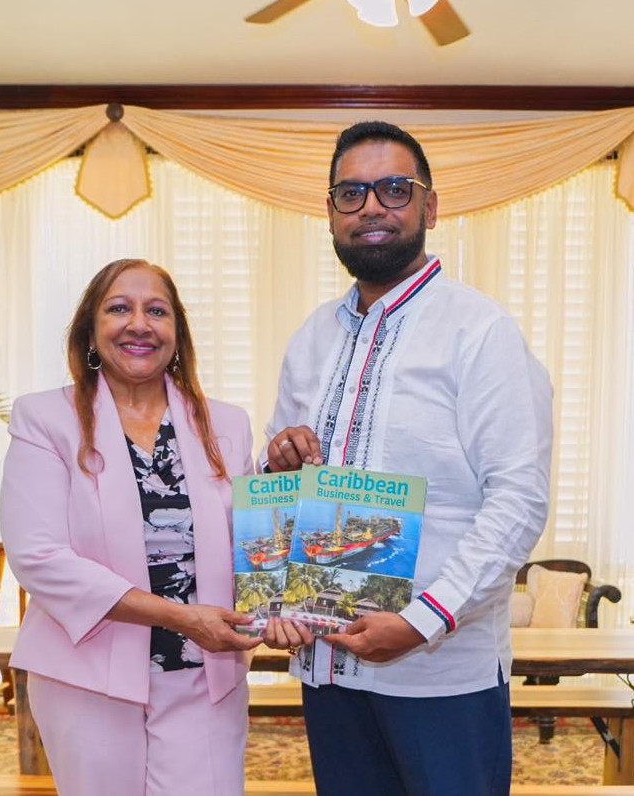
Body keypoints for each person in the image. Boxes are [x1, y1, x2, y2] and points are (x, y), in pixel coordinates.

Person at [261, 122, 554, 796]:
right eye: (350, 192)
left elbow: (517, 499)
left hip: (438, 673)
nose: (370, 207)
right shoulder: (310, 337)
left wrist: (422, 621)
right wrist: (278, 464)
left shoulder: (479, 332)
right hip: (327, 664)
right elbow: (276, 485)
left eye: (394, 189)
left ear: (429, 207)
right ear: (329, 211)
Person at [0, 258, 261, 796]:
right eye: (119, 308)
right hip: (87, 675)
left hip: (204, 674)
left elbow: (254, 546)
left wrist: (294, 598)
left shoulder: (228, 425)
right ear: (91, 330)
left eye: (157, 311)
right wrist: (182, 616)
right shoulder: (45, 419)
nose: (139, 323)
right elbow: (38, 557)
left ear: (177, 334)